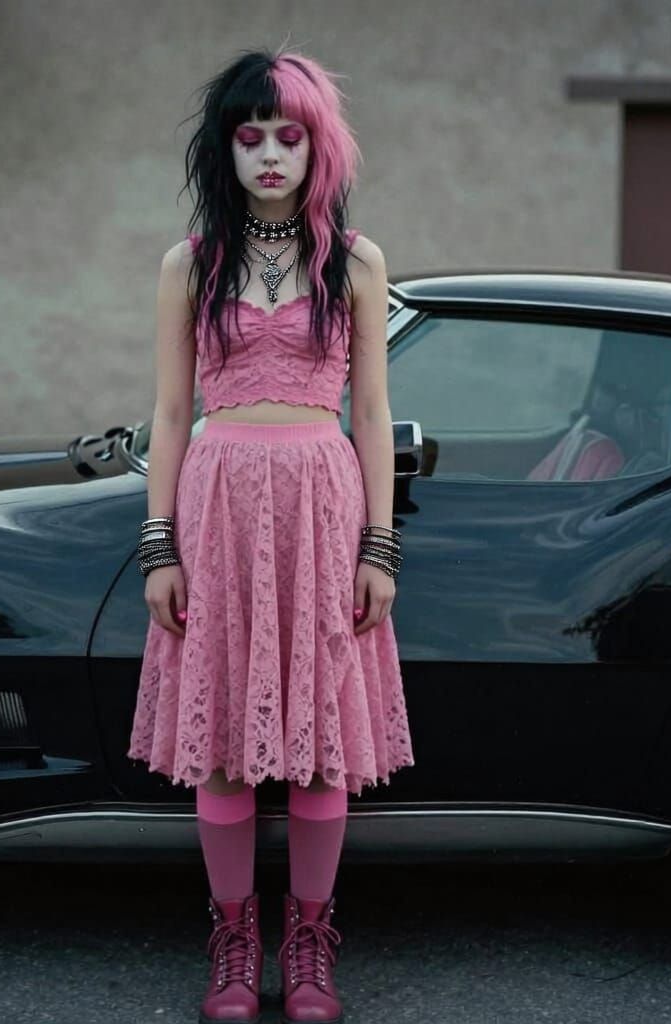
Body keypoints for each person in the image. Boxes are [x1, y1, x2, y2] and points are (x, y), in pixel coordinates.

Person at [126, 47, 415, 1024]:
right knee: (224, 738)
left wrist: (379, 546)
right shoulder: (189, 265)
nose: (269, 155)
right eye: (249, 137)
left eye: (287, 135)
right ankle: (234, 939)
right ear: (227, 150)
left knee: (322, 744)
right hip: (217, 511)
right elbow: (172, 413)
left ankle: (312, 941)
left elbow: (371, 413)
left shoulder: (355, 262)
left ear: (316, 145)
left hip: (323, 511)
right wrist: (159, 545)